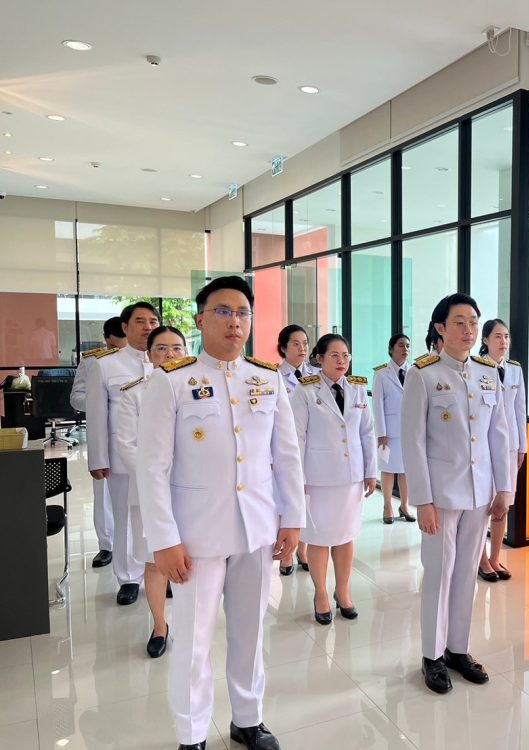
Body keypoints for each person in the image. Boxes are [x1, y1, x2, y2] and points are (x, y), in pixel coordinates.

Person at [136, 276, 305, 750]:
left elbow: (286, 455)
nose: (235, 322)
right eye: (223, 311)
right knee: (193, 640)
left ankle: (247, 720)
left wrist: (292, 518)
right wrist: (164, 539)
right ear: (200, 320)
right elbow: (152, 467)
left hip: (257, 528)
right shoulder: (172, 381)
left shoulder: (267, 378)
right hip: (195, 536)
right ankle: (192, 735)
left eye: (243, 312)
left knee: (250, 631)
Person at [402, 293, 512, 695]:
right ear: (440, 328)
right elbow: (413, 441)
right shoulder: (423, 374)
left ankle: (458, 648)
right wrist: (423, 500)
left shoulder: (487, 372)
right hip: (442, 495)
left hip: (480, 492)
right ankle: (432, 656)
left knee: (467, 572)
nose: (468, 330)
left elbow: (499, 434)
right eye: (460, 322)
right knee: (439, 573)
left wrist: (504, 488)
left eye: (473, 323)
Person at [291, 334, 377, 623]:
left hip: (351, 477)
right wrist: (298, 477)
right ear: (320, 359)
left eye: (346, 356)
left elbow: (367, 433)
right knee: (319, 538)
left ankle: (343, 592)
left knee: (346, 536)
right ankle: (321, 594)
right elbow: (297, 437)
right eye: (335, 356)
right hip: (317, 479)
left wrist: (371, 471)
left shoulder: (358, 389)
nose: (342, 361)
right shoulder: (305, 391)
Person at [116, 325, 188, 658]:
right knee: (155, 561)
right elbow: (126, 445)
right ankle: (160, 626)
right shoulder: (133, 393)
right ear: (149, 355)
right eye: (161, 349)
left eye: (177, 348)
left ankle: (190, 623)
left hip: (193, 490)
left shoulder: (200, 389)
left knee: (193, 559)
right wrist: (155, 479)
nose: (170, 355)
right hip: (149, 492)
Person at [86, 302, 158, 604]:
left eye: (153, 321)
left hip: (162, 458)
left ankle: (159, 572)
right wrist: (98, 458)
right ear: (125, 327)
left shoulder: (169, 363)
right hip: (121, 456)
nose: (148, 327)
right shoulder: (106, 365)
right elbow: (96, 415)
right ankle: (128, 577)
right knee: (125, 516)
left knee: (160, 514)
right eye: (140, 321)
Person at [71, 315, 126, 568]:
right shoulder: (93, 360)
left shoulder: (145, 358)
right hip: (104, 432)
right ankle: (107, 545)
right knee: (103, 492)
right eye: (114, 346)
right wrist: (100, 401)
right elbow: (76, 397)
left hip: (136, 435)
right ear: (106, 340)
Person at [477, 319, 526, 582]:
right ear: (485, 340)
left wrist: (522, 447)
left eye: (506, 336)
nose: (503, 341)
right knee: (484, 505)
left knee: (503, 505)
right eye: (497, 336)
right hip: (484, 447)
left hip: (510, 447)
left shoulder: (515, 370)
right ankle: (481, 559)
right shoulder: (477, 368)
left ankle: (495, 557)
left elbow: (520, 409)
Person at [276, 324, 317, 575]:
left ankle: (303, 549)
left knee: (307, 500)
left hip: (311, 446)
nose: (302, 348)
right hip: (285, 448)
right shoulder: (274, 376)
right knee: (287, 498)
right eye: (295, 344)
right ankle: (286, 554)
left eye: (305, 343)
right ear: (283, 348)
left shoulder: (316, 375)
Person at [372, 333, 415, 524]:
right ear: (391, 349)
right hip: (389, 432)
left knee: (407, 470)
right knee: (388, 469)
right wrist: (381, 433)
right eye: (401, 345)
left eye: (407, 346)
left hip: (410, 431)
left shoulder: (414, 371)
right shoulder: (381, 374)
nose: (405, 349)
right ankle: (387, 505)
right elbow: (377, 405)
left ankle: (404, 505)